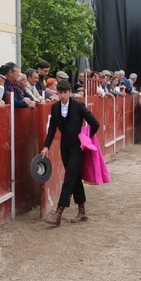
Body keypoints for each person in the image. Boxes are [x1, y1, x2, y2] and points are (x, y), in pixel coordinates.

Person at [41, 80, 101, 225]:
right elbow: (52, 129)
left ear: (69, 92)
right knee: (74, 177)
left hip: (77, 146)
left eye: (65, 92)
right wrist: (46, 146)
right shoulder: (55, 107)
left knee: (69, 177)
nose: (62, 96)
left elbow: (95, 123)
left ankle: (59, 212)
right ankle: (82, 211)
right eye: (60, 93)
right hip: (65, 146)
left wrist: (85, 138)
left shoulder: (78, 106)